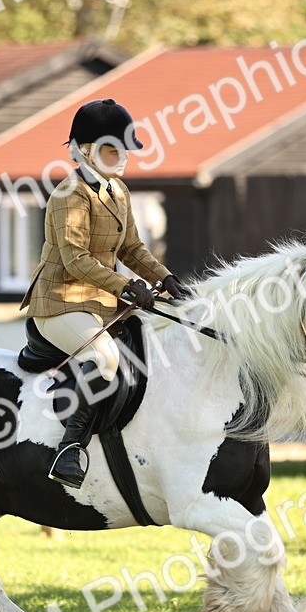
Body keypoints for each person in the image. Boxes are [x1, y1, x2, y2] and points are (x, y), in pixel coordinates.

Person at [20, 98, 192, 489]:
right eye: (113, 150)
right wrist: (126, 286)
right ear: (85, 150)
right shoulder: (70, 194)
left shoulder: (118, 190)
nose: (123, 158)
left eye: (124, 150)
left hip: (100, 302)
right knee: (104, 358)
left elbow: (132, 249)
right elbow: (75, 260)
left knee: (156, 344)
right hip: (61, 302)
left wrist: (166, 279)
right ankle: (70, 448)